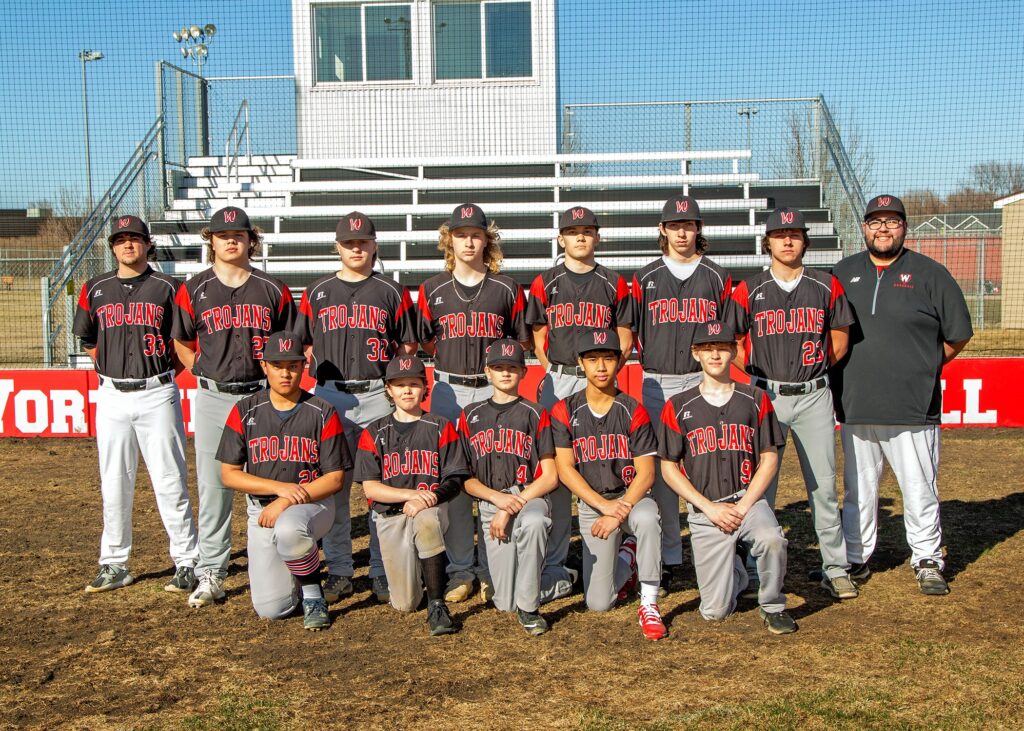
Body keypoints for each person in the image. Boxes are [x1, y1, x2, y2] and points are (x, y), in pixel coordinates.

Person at [832, 194, 973, 595]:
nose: (883, 229)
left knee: (919, 487)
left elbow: (958, 335)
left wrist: (924, 366)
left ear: (904, 227)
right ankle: (855, 558)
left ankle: (927, 558)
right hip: (856, 404)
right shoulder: (842, 273)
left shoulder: (930, 273)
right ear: (863, 228)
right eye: (875, 222)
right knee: (858, 489)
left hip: (913, 407)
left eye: (892, 222)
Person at [729, 207, 858, 600]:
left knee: (822, 486)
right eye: (780, 234)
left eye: (795, 234)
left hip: (814, 394)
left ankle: (835, 567)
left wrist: (814, 370)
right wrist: (757, 372)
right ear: (766, 242)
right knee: (760, 486)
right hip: (766, 394)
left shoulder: (826, 284)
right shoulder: (748, 289)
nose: (787, 240)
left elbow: (839, 339)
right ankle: (756, 564)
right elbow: (733, 341)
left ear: (805, 241)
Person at [172, 206, 296, 608]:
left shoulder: (272, 289)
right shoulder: (193, 289)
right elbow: (182, 342)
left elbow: (289, 346)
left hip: (261, 395)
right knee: (214, 487)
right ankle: (212, 573)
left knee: (263, 481)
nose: (230, 240)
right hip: (212, 396)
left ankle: (274, 565)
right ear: (211, 240)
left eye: (239, 234)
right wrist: (205, 373)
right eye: (222, 234)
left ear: (250, 240)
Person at [297, 212, 418, 605]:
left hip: (375, 394)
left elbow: (408, 348)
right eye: (349, 242)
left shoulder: (392, 291)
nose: (356, 248)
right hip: (329, 395)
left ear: (374, 245)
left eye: (363, 242)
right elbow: (302, 345)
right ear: (337, 246)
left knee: (382, 487)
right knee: (333, 488)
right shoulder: (316, 291)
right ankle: (341, 570)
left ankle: (383, 570)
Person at [74, 214, 199, 594]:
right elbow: (89, 342)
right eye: (120, 239)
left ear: (148, 244)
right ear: (112, 246)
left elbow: (183, 346)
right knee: (114, 482)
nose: (128, 245)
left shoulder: (169, 288)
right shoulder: (94, 288)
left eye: (135, 238)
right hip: (111, 393)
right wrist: (112, 369)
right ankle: (114, 562)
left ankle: (187, 560)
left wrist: (160, 374)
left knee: (170, 480)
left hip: (157, 390)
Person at [416, 203, 530, 604]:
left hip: (492, 390)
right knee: (458, 480)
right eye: (461, 234)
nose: (468, 240)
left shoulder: (507, 288)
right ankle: (463, 569)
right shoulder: (431, 289)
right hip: (448, 388)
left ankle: (492, 567)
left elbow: (519, 341)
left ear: (488, 239)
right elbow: (425, 340)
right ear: (450, 240)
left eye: (476, 234)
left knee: (498, 475)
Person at [657, 320, 796, 634]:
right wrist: (708, 507)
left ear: (734, 352)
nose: (715, 354)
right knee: (715, 612)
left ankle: (773, 605)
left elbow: (770, 458)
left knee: (772, 540)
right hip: (707, 511)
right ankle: (736, 568)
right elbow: (668, 467)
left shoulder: (755, 399)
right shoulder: (678, 406)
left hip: (747, 500)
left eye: (722, 347)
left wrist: (745, 506)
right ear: (696, 354)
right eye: (707, 348)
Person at [527, 207, 635, 600]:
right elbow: (539, 335)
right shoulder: (546, 281)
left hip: (601, 379)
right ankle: (555, 564)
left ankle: (619, 539)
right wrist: (555, 370)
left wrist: (604, 373)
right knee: (556, 470)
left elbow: (623, 337)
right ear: (561, 239)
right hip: (558, 379)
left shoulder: (613, 282)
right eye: (573, 232)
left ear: (598, 238)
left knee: (606, 459)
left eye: (587, 231)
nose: (581, 238)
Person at [632, 194, 734, 595]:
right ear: (662, 230)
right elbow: (630, 332)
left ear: (698, 230)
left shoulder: (717, 276)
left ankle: (721, 546)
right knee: (663, 473)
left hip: (703, 380)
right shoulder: (644, 278)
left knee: (712, 465)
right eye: (675, 225)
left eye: (688, 225)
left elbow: (730, 334)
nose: (682, 232)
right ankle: (671, 556)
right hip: (657, 382)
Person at [216, 332, 351, 630]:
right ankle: (298, 567)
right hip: (261, 512)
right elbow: (229, 474)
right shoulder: (245, 410)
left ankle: (313, 593)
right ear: (264, 366)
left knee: (290, 528)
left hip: (314, 506)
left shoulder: (322, 411)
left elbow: (335, 479)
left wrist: (287, 499)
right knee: (272, 609)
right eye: (278, 365)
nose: (285, 372)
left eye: (292, 365)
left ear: (303, 367)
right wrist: (279, 490)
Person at [549, 328, 666, 641]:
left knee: (647, 518)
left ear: (620, 363)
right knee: (599, 603)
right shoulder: (564, 409)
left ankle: (650, 602)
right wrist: (603, 507)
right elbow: (565, 468)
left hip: (632, 498)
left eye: (608, 358)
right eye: (593, 359)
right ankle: (629, 556)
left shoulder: (633, 409)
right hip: (593, 504)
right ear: (581, 363)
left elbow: (646, 473)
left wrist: (619, 510)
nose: (601, 366)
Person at [353, 355, 471, 636]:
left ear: (424, 388)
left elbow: (455, 479)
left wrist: (427, 499)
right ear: (388, 390)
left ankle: (437, 604)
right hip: (391, 516)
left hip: (430, 509)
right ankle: (423, 573)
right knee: (405, 604)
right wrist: (413, 495)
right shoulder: (374, 432)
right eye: (400, 384)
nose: (407, 390)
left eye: (414, 384)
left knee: (427, 521)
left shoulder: (440, 426)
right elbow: (370, 488)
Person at [457, 339, 562, 635]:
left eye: (512, 367)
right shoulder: (469, 415)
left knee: (535, 522)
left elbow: (550, 476)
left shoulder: (535, 413)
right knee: (503, 601)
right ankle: (560, 580)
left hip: (530, 496)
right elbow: (464, 477)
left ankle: (530, 609)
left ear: (523, 373)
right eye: (498, 367)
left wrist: (513, 502)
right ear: (487, 372)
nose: (505, 373)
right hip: (492, 501)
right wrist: (498, 501)